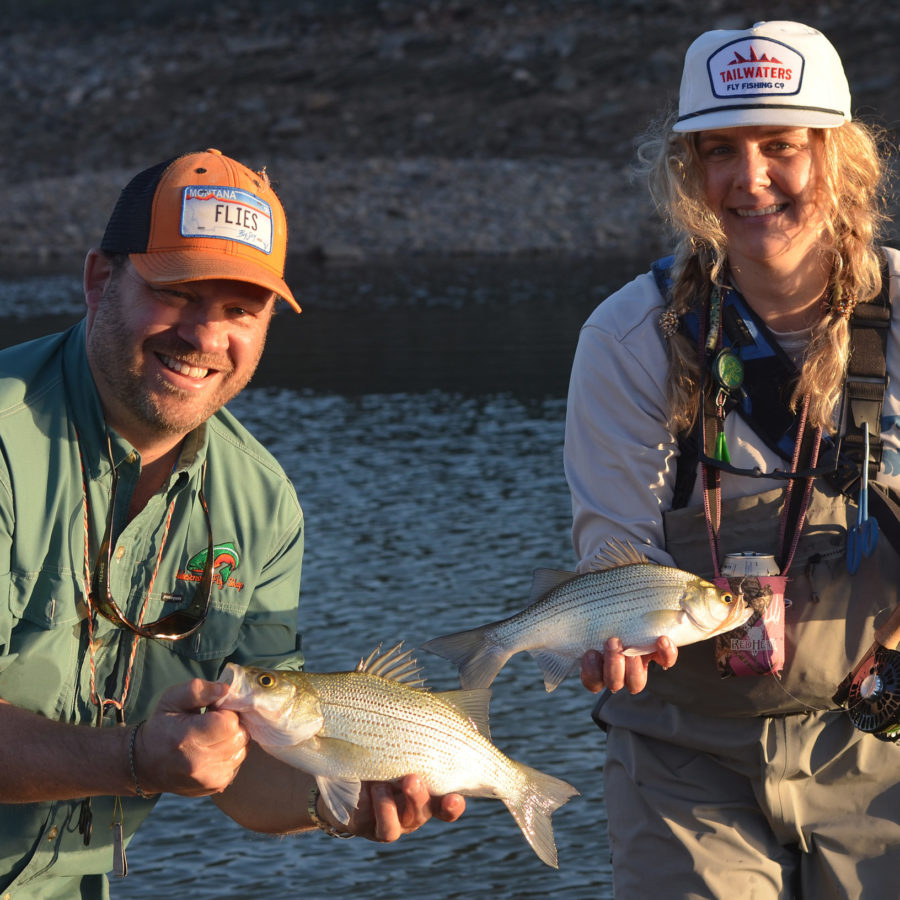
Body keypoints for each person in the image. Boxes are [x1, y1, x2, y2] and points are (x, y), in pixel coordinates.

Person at [0, 148, 464, 899]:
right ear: (97, 282)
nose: (206, 336)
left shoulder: (263, 503)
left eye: (241, 310)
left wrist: (337, 796)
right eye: (178, 292)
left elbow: (248, 781)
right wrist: (134, 759)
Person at [564, 20, 900, 898]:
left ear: (841, 158)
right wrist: (611, 638)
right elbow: (613, 555)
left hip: (883, 741)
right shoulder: (626, 338)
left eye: (782, 145)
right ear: (688, 174)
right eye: (719, 151)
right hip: (683, 760)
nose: (749, 180)